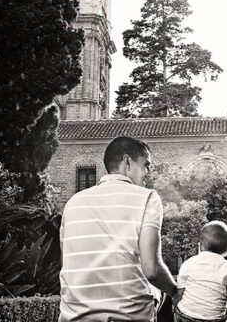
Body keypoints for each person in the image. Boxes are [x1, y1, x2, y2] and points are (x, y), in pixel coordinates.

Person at [59, 136, 177, 322]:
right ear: (127, 161)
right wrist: (175, 292)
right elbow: (152, 270)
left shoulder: (73, 203)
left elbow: (68, 260)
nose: (148, 172)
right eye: (146, 165)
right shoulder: (147, 197)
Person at [173, 221, 227, 322]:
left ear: (200, 246)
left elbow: (179, 293)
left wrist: (176, 309)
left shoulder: (188, 263)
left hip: (186, 315)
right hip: (214, 318)